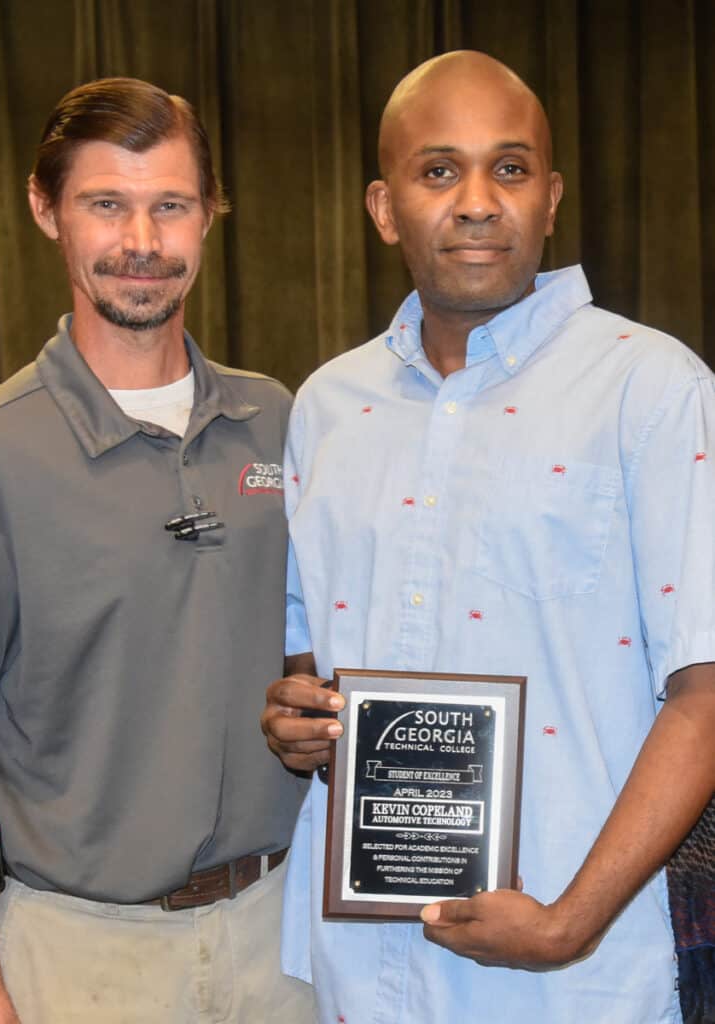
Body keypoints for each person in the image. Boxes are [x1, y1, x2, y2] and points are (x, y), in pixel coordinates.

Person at [261, 50, 715, 1024]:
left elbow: (706, 693)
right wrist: (302, 720)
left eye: (508, 170)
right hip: (361, 963)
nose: (476, 201)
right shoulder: (327, 408)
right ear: (384, 209)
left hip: (570, 979)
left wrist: (568, 923)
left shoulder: (655, 391)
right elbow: (311, 654)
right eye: (439, 171)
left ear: (550, 199)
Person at [0, 78, 312, 1023]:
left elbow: (313, 652)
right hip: (80, 957)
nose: (142, 242)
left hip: (281, 937)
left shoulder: (280, 423)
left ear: (209, 216)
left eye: (170, 205)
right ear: (47, 210)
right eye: (106, 205)